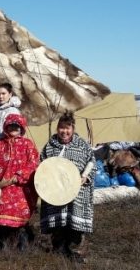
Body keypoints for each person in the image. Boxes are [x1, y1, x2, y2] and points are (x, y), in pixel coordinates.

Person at [39, 111, 96, 262]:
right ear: (57, 128)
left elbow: (92, 163)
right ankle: (59, 250)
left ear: (73, 128)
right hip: (55, 192)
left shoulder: (82, 145)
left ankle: (76, 252)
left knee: (74, 224)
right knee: (58, 223)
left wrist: (85, 176)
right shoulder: (50, 147)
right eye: (61, 128)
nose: (64, 131)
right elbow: (42, 167)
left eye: (68, 128)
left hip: (77, 192)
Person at [0, 114, 39, 251]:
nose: (13, 128)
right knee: (1, 212)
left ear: (21, 128)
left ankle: (22, 244)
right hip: (1, 187)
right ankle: (3, 245)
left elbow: (34, 164)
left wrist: (19, 176)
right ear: (6, 127)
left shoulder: (28, 144)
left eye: (16, 125)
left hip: (22, 187)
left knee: (20, 214)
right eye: (11, 125)